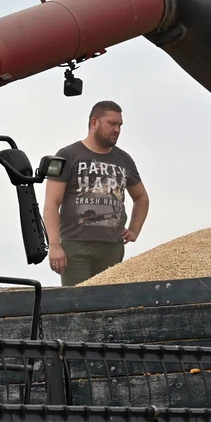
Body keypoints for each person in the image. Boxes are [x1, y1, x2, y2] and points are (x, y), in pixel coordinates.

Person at [43, 100, 150, 286]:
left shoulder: (124, 159)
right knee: (77, 304)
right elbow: (51, 203)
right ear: (95, 123)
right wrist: (54, 245)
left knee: (107, 305)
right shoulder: (68, 155)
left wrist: (134, 230)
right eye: (112, 124)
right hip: (76, 246)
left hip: (112, 247)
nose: (117, 129)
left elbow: (141, 197)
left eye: (120, 125)